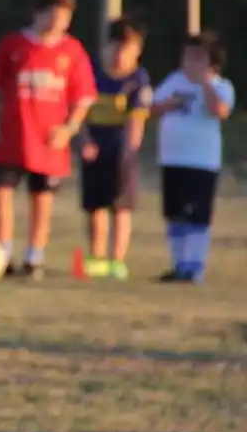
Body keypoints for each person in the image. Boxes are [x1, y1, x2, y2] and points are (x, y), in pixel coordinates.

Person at [0, 0, 97, 280]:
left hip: (49, 143)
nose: (60, 23)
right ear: (38, 12)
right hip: (13, 138)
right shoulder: (13, 45)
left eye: (66, 17)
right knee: (0, 193)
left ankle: (34, 258)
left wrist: (69, 130)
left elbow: (83, 98)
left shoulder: (72, 52)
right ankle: (3, 254)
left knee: (41, 200)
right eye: (55, 15)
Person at [150, 32, 235, 283]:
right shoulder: (174, 80)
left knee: (197, 216)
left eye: (198, 58)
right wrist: (169, 104)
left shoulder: (220, 86)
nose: (190, 63)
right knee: (175, 214)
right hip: (172, 158)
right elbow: (152, 108)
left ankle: (194, 267)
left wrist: (205, 83)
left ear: (212, 63)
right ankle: (178, 265)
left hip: (201, 162)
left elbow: (220, 111)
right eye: (187, 56)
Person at [78, 17, 152, 280]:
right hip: (94, 144)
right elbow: (80, 112)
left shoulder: (138, 80)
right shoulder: (91, 71)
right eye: (117, 47)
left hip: (121, 147)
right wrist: (84, 140)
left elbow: (136, 121)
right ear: (107, 46)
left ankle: (117, 261)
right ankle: (96, 258)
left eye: (129, 49)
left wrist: (129, 152)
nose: (121, 55)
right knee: (95, 206)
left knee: (121, 207)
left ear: (138, 50)